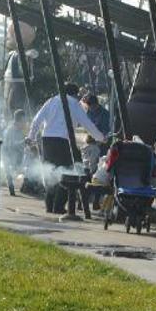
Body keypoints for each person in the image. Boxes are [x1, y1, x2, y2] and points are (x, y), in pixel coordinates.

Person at [28, 82, 106, 214]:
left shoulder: (51, 101)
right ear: (75, 95)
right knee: (68, 173)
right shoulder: (74, 104)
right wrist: (101, 138)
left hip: (47, 140)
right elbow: (87, 124)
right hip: (63, 141)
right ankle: (58, 206)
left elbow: (37, 120)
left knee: (51, 172)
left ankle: (49, 204)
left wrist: (31, 136)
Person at [2, 109, 27, 176]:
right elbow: (11, 146)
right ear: (18, 121)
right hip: (11, 162)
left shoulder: (20, 131)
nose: (25, 123)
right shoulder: (10, 131)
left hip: (18, 160)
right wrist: (24, 142)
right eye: (24, 121)